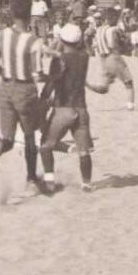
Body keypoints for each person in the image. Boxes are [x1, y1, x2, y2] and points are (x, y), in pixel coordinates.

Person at [0, 0, 48, 195]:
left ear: (12, 13)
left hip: (4, 88)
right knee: (29, 136)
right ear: (29, 15)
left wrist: (7, 74)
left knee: (8, 138)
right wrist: (55, 76)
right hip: (24, 90)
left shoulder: (1, 35)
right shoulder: (34, 41)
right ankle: (31, 180)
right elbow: (38, 75)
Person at [38, 22, 110, 193]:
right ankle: (87, 183)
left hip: (63, 108)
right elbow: (81, 50)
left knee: (45, 145)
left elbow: (52, 82)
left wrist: (43, 100)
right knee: (84, 152)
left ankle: (49, 182)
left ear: (62, 39)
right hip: (81, 108)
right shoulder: (84, 57)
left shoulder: (59, 59)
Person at [92, 8, 136, 109]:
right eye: (116, 18)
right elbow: (123, 42)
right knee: (128, 82)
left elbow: (94, 44)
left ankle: (87, 85)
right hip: (114, 57)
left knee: (104, 87)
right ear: (113, 18)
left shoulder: (99, 30)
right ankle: (130, 105)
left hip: (103, 59)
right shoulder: (115, 29)